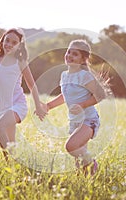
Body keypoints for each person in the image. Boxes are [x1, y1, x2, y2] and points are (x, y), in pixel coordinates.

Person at [0, 28, 46, 161]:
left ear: (19, 46)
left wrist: (38, 106)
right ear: (2, 41)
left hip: (18, 105)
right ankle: (13, 167)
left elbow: (32, 86)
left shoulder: (20, 62)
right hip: (3, 107)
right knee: (10, 142)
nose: (9, 44)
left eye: (14, 43)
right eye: (7, 40)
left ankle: (12, 161)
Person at [41, 39, 106, 176]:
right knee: (78, 156)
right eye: (68, 51)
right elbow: (65, 95)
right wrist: (49, 106)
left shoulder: (85, 76)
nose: (69, 55)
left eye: (75, 54)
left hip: (88, 120)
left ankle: (93, 164)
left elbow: (100, 95)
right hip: (74, 121)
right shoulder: (64, 75)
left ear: (83, 59)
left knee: (71, 146)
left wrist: (82, 105)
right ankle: (87, 179)